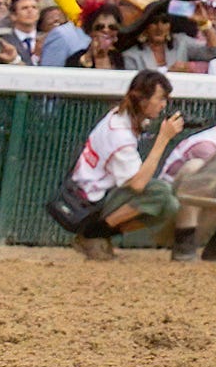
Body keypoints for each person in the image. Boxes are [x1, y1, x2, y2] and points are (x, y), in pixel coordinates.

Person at [55, 67, 184, 261]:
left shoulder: (121, 115)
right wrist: (163, 139)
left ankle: (102, 236)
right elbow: (138, 184)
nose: (163, 105)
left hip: (92, 194)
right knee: (159, 192)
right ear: (143, 100)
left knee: (170, 206)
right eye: (160, 99)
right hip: (87, 203)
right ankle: (93, 235)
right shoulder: (119, 133)